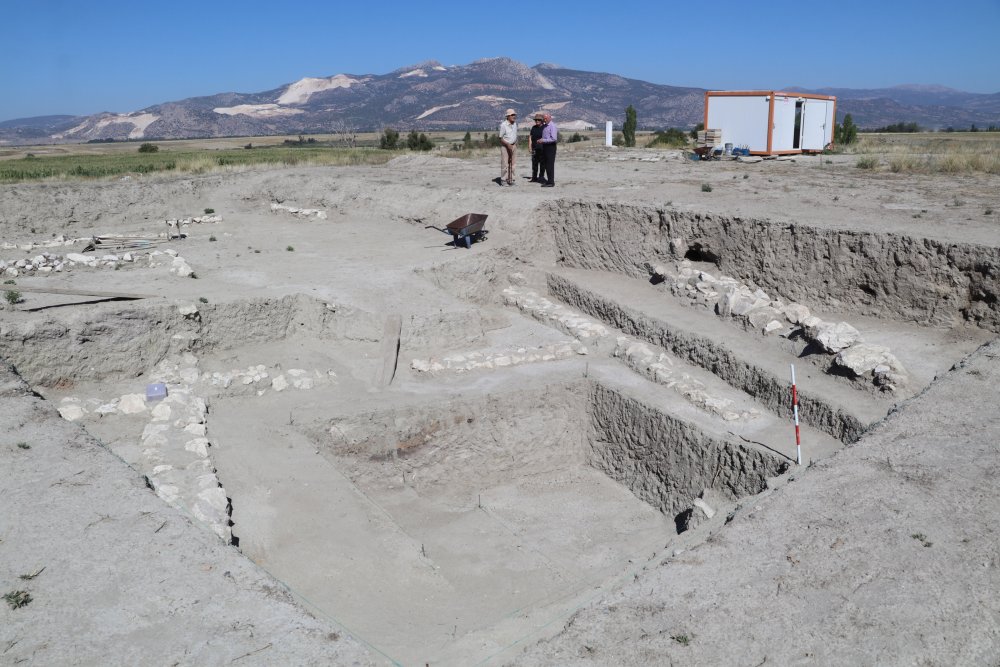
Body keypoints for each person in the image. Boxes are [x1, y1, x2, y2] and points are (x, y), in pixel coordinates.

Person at [498, 108, 518, 186]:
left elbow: (515, 135)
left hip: (514, 146)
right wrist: (507, 145)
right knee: (505, 164)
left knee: (513, 164)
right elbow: (500, 138)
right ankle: (503, 180)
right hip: (505, 146)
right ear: (508, 116)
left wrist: (515, 144)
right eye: (512, 115)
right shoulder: (503, 125)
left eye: (514, 115)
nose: (514, 116)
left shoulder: (515, 124)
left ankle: (512, 179)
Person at [537, 113, 558, 187]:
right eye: (544, 118)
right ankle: (549, 181)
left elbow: (554, 139)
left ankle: (551, 182)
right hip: (545, 147)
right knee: (546, 165)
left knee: (550, 165)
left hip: (550, 147)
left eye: (546, 118)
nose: (544, 119)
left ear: (550, 118)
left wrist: (543, 141)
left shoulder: (552, 126)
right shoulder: (545, 126)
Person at [529, 113, 546, 183]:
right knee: (534, 164)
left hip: (543, 148)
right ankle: (534, 177)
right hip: (534, 148)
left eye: (539, 120)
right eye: (536, 120)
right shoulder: (533, 128)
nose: (537, 121)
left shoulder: (545, 127)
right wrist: (529, 147)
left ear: (542, 120)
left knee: (542, 164)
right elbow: (530, 137)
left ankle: (541, 177)